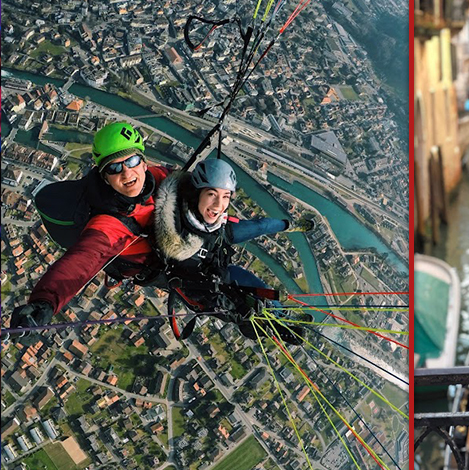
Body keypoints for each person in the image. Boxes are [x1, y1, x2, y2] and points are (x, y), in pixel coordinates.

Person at [9, 122, 171, 333]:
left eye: (131, 160)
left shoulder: (161, 178)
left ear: (144, 163)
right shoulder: (108, 223)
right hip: (164, 269)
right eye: (114, 167)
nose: (126, 172)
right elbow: (81, 261)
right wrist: (45, 301)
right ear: (105, 178)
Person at [154, 159, 314, 342]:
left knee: (261, 229)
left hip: (218, 251)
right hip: (204, 285)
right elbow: (209, 300)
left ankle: (288, 226)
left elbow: (254, 225)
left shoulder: (211, 218)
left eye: (226, 196)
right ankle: (277, 324)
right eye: (212, 194)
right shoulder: (178, 239)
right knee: (253, 303)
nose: (218, 205)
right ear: (197, 193)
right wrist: (240, 309)